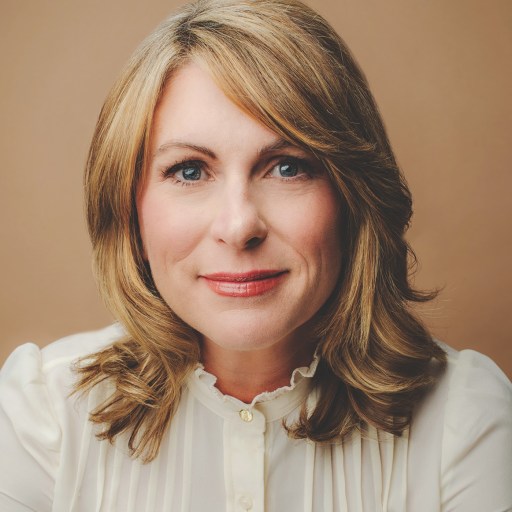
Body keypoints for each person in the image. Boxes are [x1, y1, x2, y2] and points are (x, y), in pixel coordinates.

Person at [0, 0, 510, 510]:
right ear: (128, 206)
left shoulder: (463, 420)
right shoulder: (41, 413)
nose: (239, 226)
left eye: (287, 167)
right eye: (190, 171)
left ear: (353, 196)